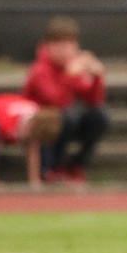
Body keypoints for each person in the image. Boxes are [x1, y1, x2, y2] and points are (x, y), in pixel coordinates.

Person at [22, 16, 109, 184]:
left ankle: (77, 166)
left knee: (99, 116)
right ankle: (54, 166)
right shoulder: (40, 70)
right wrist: (70, 76)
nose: (66, 51)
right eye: (61, 45)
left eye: (70, 45)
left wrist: (97, 77)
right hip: (40, 127)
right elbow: (56, 101)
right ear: (48, 46)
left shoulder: (72, 67)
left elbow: (94, 101)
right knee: (66, 117)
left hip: (66, 124)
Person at [0, 94, 63, 188]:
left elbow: (33, 148)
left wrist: (35, 182)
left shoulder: (36, 112)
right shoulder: (5, 123)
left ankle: (45, 173)